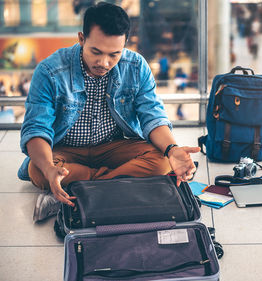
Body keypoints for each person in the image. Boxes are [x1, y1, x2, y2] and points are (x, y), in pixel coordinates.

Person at [18, 2, 200, 222]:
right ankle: (116, 185)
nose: (104, 63)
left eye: (114, 54)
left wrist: (172, 150)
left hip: (112, 147)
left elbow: (152, 116)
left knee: (162, 161)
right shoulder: (50, 71)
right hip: (66, 149)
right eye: (96, 52)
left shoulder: (136, 66)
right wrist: (48, 168)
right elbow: (37, 129)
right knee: (38, 170)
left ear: (124, 45)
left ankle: (82, 189)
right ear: (81, 38)